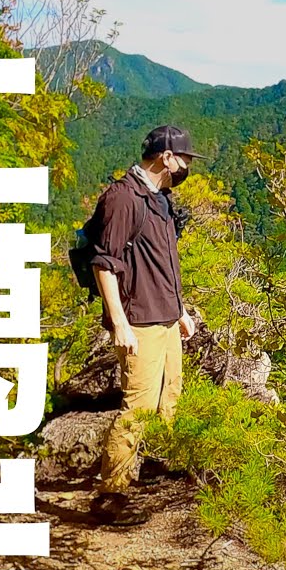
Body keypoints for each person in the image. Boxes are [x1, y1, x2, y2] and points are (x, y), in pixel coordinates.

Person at [87, 125, 205, 525]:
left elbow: (164, 264)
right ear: (165, 157)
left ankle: (153, 472)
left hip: (167, 318)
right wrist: (119, 322)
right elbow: (104, 262)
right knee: (137, 408)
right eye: (184, 158)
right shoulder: (123, 198)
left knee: (169, 397)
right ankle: (111, 497)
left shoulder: (161, 200)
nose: (187, 166)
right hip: (139, 320)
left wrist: (181, 311)